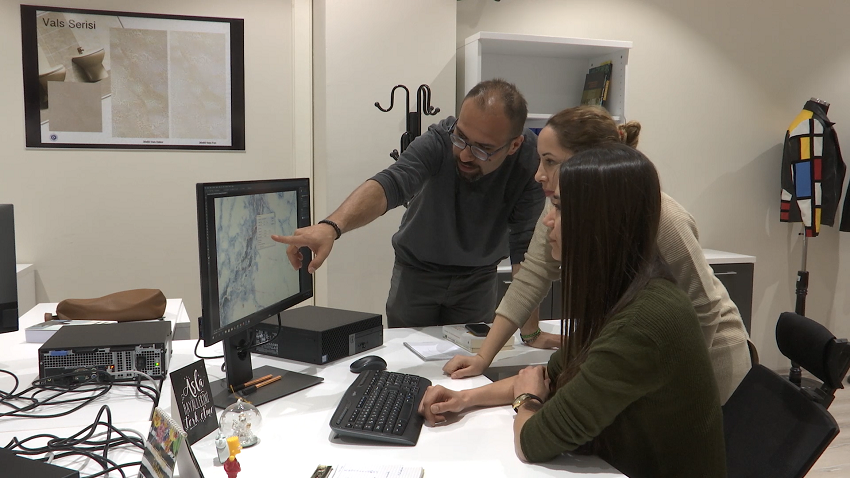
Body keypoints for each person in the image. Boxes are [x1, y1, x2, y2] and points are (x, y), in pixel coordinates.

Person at [418, 144, 727, 476]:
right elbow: (548, 378)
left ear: (599, 221)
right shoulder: (625, 295)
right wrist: (463, 399)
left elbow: (533, 440)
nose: (548, 221)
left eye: (559, 208)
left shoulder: (642, 322)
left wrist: (526, 401)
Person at [444, 105, 752, 404]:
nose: (538, 175)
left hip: (708, 358)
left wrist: (678, 378)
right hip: (649, 356)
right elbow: (532, 276)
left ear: (589, 162)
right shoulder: (558, 207)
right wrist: (483, 357)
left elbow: (704, 306)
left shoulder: (663, 216)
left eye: (550, 161)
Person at [272, 79, 544, 327]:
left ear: (514, 145)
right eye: (461, 137)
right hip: (417, 272)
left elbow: (525, 247)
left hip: (479, 278)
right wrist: (331, 227)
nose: (464, 155)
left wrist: (530, 331)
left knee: (468, 357)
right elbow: (392, 182)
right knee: (405, 354)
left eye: (483, 148)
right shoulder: (439, 140)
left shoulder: (530, 161)